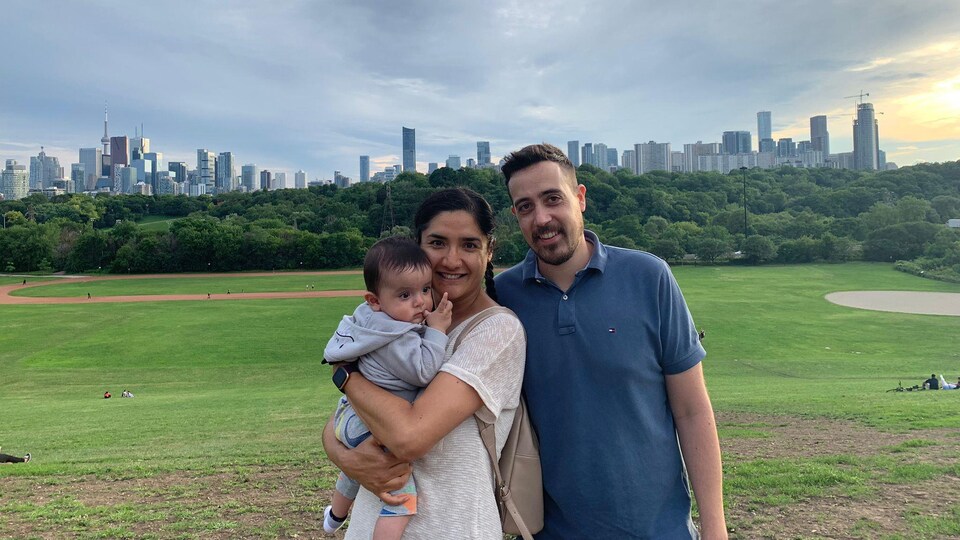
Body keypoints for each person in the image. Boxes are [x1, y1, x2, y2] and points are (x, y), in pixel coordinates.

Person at [495, 143, 727, 539]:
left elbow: (691, 410)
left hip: (660, 529)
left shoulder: (649, 276)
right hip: (551, 531)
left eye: (553, 199)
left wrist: (715, 526)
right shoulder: (503, 298)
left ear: (580, 198)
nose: (542, 218)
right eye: (525, 206)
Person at [321, 188, 526, 538]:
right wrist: (348, 459)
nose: (451, 259)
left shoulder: (497, 331)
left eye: (469, 245)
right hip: (370, 526)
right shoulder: (400, 322)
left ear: (490, 251)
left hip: (452, 527)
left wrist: (344, 375)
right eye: (437, 242)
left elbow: (409, 437)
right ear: (418, 247)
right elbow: (343, 422)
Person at [321, 236, 454, 537]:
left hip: (349, 416)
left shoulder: (369, 321)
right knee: (401, 501)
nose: (420, 302)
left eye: (424, 289)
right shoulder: (395, 336)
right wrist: (436, 331)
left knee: (354, 469)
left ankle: (334, 516)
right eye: (405, 295)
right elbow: (423, 371)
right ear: (375, 301)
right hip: (370, 425)